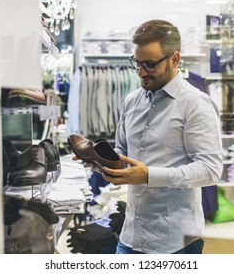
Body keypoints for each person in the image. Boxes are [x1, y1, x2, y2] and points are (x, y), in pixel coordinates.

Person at [76, 19, 223, 254]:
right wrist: (101, 163)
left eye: (150, 64)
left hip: (176, 241)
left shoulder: (196, 105)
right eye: (137, 62)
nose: (141, 71)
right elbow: (123, 156)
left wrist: (148, 175)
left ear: (174, 59)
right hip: (131, 233)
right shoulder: (132, 100)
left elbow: (211, 169)